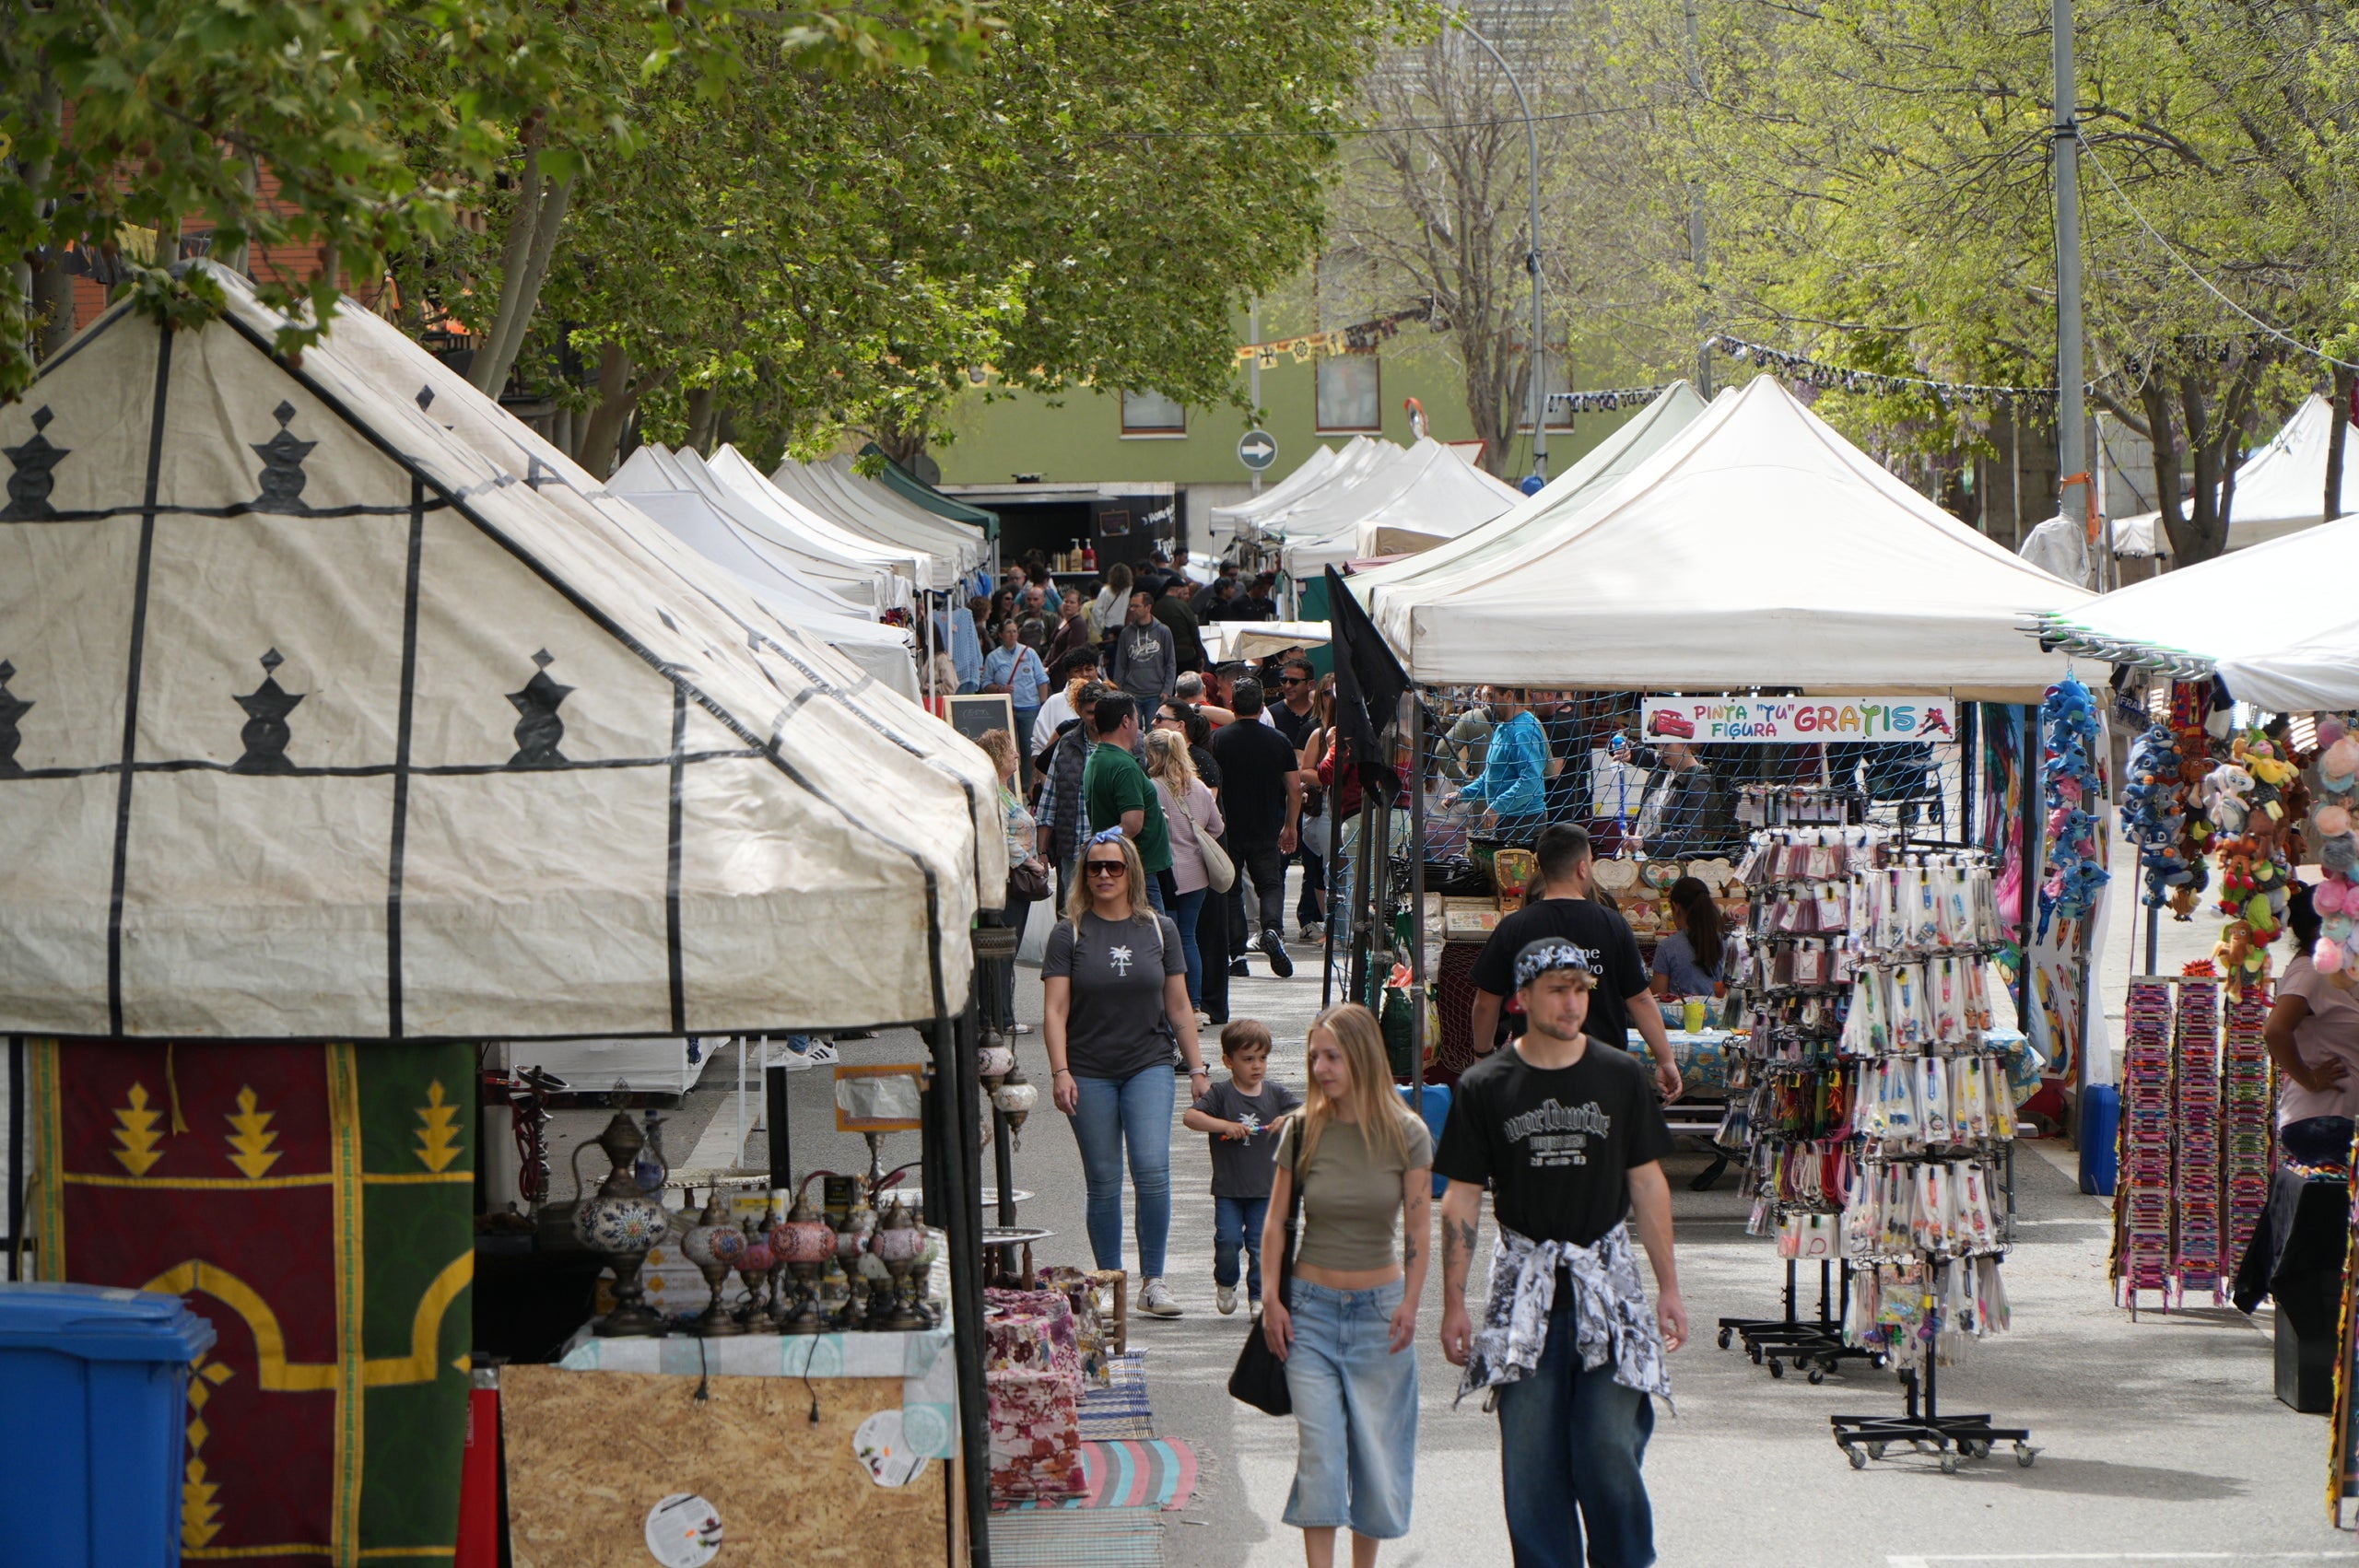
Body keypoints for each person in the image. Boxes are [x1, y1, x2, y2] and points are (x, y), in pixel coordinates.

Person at [1436, 942, 1684, 1568]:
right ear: (1521, 998)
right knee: (1530, 1461)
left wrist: (1670, 1288)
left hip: (1608, 1285)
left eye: (1580, 988)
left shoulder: (1620, 1074)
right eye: (1557, 988)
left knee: (1608, 1448)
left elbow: (1648, 1181)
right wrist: (1453, 1302)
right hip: (1524, 1291)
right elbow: (1462, 1198)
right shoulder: (1485, 1085)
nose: (1572, 1002)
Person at [1262, 1003, 1433, 1566]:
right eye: (1314, 1056)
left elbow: (1417, 1228)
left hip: (1379, 1314)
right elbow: (1274, 1222)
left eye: (1332, 1055)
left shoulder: (1407, 1133)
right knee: (1321, 1450)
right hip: (1309, 1312)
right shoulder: (1303, 1130)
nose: (1320, 1067)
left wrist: (1411, 1301)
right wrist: (1270, 1299)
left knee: (1374, 1453)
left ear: (1361, 1056)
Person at [1043, 830, 1207, 1319]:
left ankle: (1153, 1280)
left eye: (1114, 867)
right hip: (1088, 1069)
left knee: (1153, 1169)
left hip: (1149, 1063)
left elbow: (1178, 1005)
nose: (1104, 876)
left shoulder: (1159, 929)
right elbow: (1054, 1011)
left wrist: (1197, 1067)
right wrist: (1060, 1070)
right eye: (1095, 868)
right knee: (1104, 1180)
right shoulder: (1068, 932)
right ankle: (1109, 1280)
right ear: (1083, 874)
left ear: (1131, 872)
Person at [1468, 825, 1682, 1101]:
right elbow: (1640, 1000)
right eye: (1591, 862)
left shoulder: (1514, 927)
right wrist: (1666, 1060)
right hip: (1603, 1074)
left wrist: (1482, 1055)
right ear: (1583, 868)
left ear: (1542, 869)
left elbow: (1486, 1002)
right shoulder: (1613, 924)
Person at [1182, 1019, 1303, 1315]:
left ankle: (1258, 1298)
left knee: (1261, 1246)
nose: (1257, 1066)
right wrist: (1224, 1125)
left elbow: (1308, 1111)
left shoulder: (1275, 1094)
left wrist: (1288, 1120)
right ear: (1228, 1061)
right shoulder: (1221, 1094)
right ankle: (1226, 1282)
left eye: (1262, 1058)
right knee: (1228, 1240)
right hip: (1229, 1189)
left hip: (1266, 1189)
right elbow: (1191, 1118)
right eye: (1248, 1059)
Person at [1211, 678, 1303, 979]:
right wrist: (1290, 826)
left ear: (1232, 705)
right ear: (1263, 706)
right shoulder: (1279, 741)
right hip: (1266, 824)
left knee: (1231, 890)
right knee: (1271, 884)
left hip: (1228, 827)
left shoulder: (1219, 740)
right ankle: (1272, 929)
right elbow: (1293, 788)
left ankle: (1237, 955)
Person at [2265, 883, 2359, 1164]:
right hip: (2324, 1122)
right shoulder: (2311, 972)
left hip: (2335, 1119)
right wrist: (2310, 1079)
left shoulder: (2331, 972)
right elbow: (2275, 1030)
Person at [1146, 728, 1224, 1012]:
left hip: (1167, 874)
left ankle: (1173, 1003)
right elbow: (1217, 827)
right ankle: (1194, 1006)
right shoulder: (1200, 787)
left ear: (1154, 755)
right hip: (1198, 874)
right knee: (1189, 937)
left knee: (1168, 940)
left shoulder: (1152, 787)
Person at [976, 728, 1045, 1033]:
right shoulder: (994, 792)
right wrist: (1029, 862)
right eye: (1009, 751)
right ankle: (999, 1017)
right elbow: (1001, 834)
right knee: (1002, 950)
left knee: (1003, 951)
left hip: (1011, 877)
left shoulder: (1003, 790)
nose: (1017, 755)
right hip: (1009, 879)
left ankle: (997, 1014)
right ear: (995, 757)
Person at [1083, 694, 1173, 913]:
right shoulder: (1123, 766)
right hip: (1138, 871)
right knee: (1152, 939)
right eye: (1136, 718)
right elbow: (1131, 824)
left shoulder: (1098, 758)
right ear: (1126, 721)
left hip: (1131, 868)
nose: (1138, 726)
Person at [1036, 681, 1113, 906]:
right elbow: (1049, 799)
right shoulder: (1067, 744)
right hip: (1073, 850)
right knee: (1074, 911)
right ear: (1079, 710)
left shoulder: (1125, 742)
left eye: (1099, 711)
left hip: (1113, 851)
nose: (1095, 718)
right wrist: (1042, 851)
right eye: (1090, 712)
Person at [1447, 689, 1553, 843]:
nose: (1487, 702)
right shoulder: (1502, 728)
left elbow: (1531, 780)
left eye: (1491, 696)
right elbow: (1491, 777)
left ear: (1509, 696)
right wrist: (1463, 794)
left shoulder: (1524, 730)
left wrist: (1497, 806)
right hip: (1507, 820)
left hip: (1523, 822)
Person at [981, 617, 1050, 781]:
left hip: (1029, 707)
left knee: (1028, 748)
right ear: (1001, 635)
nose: (1012, 635)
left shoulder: (1030, 653)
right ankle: (1009, 782)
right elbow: (985, 684)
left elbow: (1042, 680)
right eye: (1008, 632)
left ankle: (1028, 783)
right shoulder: (993, 657)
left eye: (1014, 631)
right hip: (1005, 708)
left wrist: (1043, 705)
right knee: (1005, 749)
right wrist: (999, 689)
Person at [1649, 876, 1729, 1000]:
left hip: (1680, 1018)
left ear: (1676, 907)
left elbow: (1658, 996)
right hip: (1721, 1016)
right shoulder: (1727, 942)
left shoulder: (1667, 947)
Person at [1109, 588, 1180, 708]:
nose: (1132, 609)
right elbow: (1120, 664)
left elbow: (1171, 663)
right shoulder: (1126, 633)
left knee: (1155, 726)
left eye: (1136, 606)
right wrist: (1119, 689)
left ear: (1148, 607)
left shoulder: (1163, 631)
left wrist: (1168, 690)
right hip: (1131, 692)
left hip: (1156, 693)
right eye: (1131, 606)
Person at [1031, 648, 1101, 765]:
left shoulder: (1111, 697)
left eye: (1089, 669)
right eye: (1078, 671)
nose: (1084, 675)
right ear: (1068, 675)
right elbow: (1039, 746)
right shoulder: (1054, 703)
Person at [1156, 579, 1208, 673]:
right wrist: (1200, 656)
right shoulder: (1182, 606)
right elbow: (1194, 632)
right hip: (1184, 656)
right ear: (1178, 590)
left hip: (1161, 654)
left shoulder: (1156, 606)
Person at [1047, 586, 1094, 667]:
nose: (1068, 605)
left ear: (1079, 605)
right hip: (1052, 668)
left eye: (1072, 602)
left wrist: (1051, 667)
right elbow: (1053, 645)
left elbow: (1072, 649)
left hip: (1065, 669)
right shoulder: (1063, 620)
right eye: (1066, 601)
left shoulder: (1079, 624)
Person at [1089, 561, 1134, 639]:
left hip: (1109, 629)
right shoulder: (1132, 591)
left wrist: (1099, 631)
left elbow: (1096, 612)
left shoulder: (1105, 591)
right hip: (1127, 627)